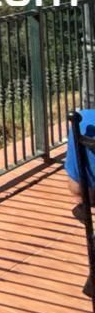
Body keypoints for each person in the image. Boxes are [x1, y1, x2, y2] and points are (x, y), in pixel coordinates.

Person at [66, 109, 95, 299]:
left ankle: (81, 205)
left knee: (77, 190)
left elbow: (75, 184)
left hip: (88, 190)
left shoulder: (84, 119)